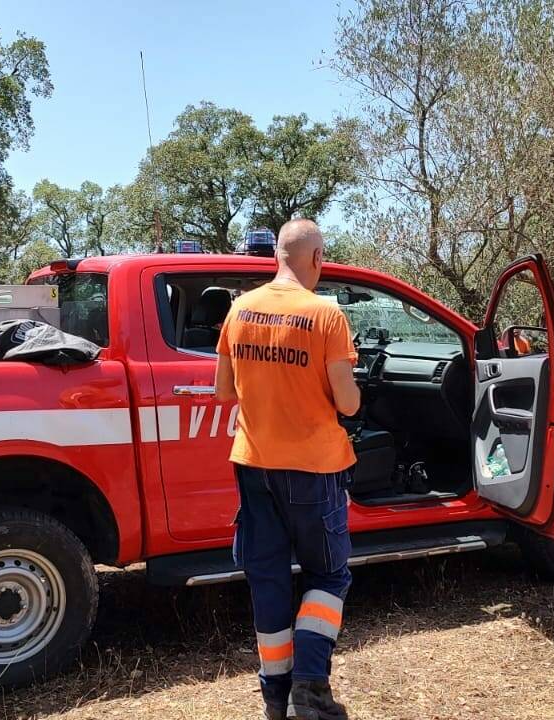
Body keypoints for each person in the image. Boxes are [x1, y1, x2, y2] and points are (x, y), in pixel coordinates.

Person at [215, 219, 361, 720]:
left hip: (254, 468)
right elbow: (347, 403)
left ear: (276, 255)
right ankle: (310, 688)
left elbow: (223, 392)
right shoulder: (326, 314)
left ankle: (275, 700)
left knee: (269, 581)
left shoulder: (239, 310)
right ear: (317, 258)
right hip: (314, 469)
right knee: (329, 575)